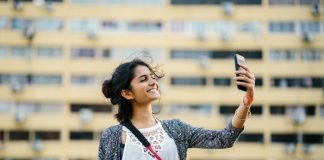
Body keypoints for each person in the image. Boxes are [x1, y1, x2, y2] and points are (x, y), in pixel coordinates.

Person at [98, 57, 255, 160]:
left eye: (153, 77)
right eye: (143, 79)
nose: (153, 82)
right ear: (127, 93)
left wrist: (246, 102)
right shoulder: (113, 136)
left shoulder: (176, 129)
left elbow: (223, 139)